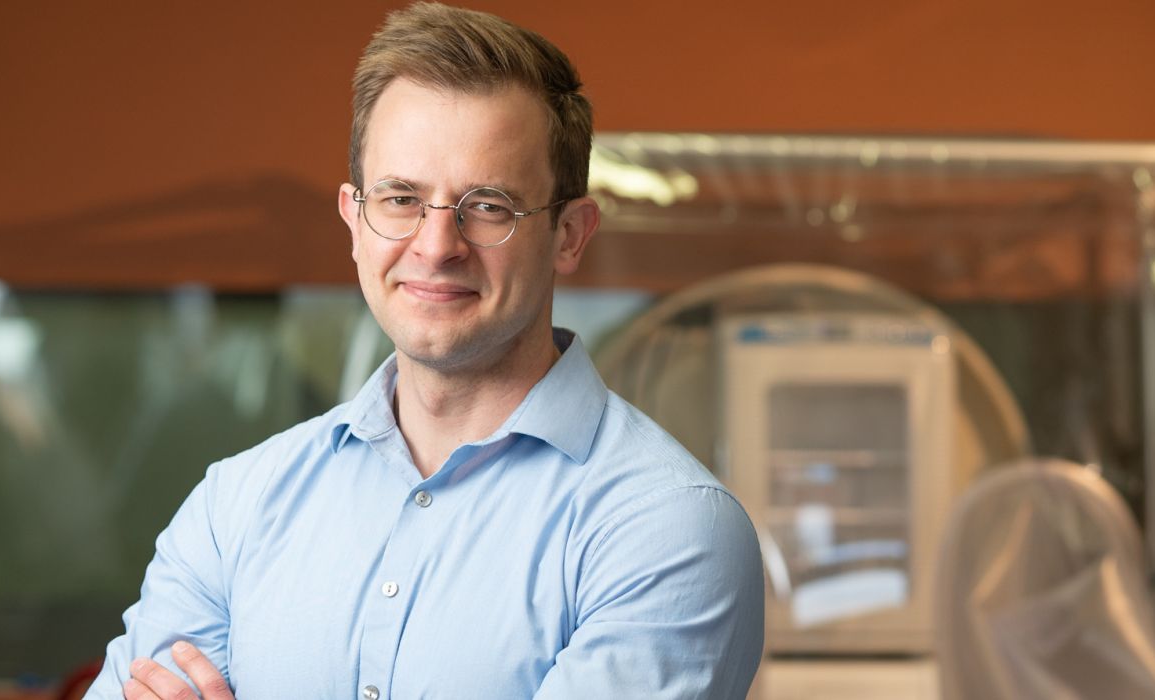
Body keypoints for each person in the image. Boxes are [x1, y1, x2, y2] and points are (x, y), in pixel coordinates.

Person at [86, 4, 765, 698]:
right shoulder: (237, 508)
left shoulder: (669, 531)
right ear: (354, 219)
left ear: (569, 233)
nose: (437, 246)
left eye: (489, 205)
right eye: (402, 198)